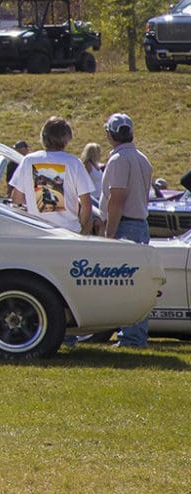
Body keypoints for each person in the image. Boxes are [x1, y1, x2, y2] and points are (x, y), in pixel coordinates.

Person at [97, 113, 153, 347]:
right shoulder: (141, 158)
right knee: (138, 285)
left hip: (126, 225)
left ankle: (131, 337)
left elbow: (116, 199)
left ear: (110, 135)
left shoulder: (119, 160)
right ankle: (136, 335)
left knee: (126, 285)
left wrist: (109, 234)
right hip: (140, 224)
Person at [6, 117, 94, 234]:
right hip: (68, 232)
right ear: (66, 138)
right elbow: (86, 204)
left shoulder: (29, 160)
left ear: (43, 136)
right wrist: (80, 228)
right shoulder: (74, 162)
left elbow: (17, 199)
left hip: (37, 231)